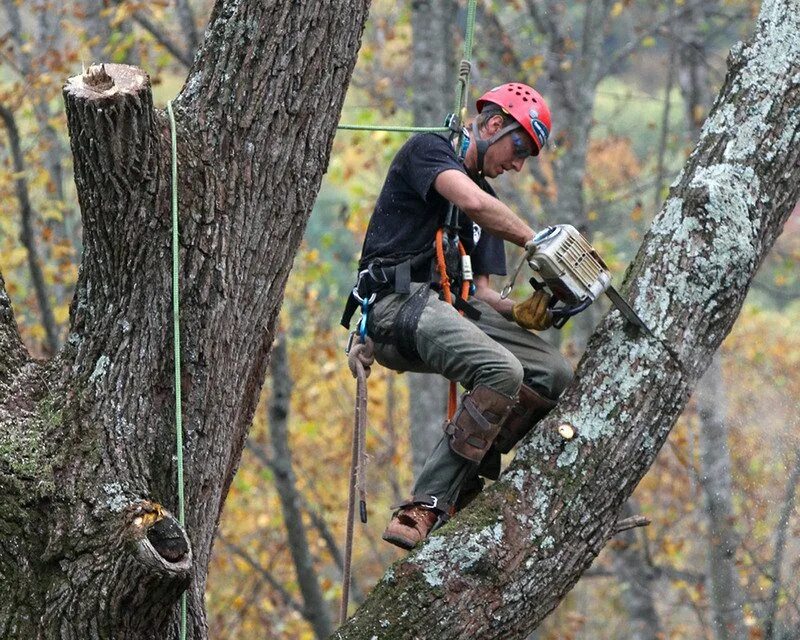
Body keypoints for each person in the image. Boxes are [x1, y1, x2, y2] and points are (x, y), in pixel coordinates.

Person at [341, 82, 573, 550]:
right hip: (393, 306)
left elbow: (483, 293)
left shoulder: (485, 200)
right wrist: (540, 243)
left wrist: (526, 313)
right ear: (492, 125)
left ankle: (464, 476)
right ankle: (426, 502)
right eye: (518, 148)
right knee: (501, 370)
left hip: (448, 310)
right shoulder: (428, 152)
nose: (517, 164)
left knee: (553, 373)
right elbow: (472, 202)